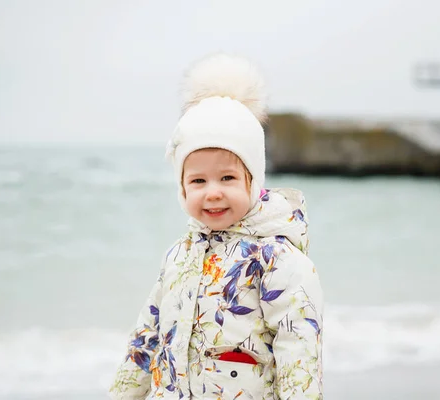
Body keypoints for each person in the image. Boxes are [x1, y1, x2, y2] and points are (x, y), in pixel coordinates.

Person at [109, 53, 324, 399]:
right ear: (181, 188)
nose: (213, 193)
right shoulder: (179, 255)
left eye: (227, 178)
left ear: (252, 182)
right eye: (197, 181)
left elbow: (298, 355)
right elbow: (147, 336)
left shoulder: (277, 260)